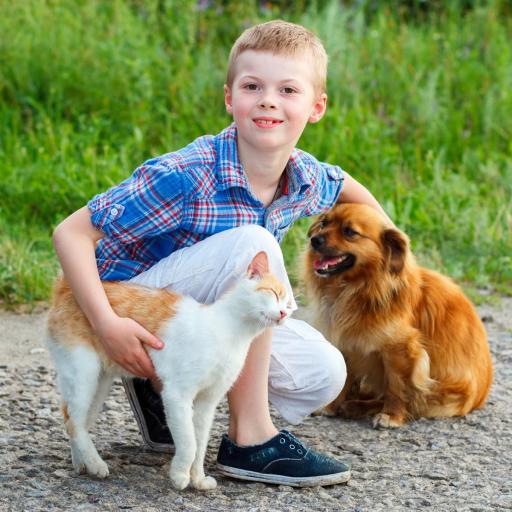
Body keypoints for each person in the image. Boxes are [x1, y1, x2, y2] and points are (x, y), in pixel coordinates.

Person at [52, 20, 391, 487]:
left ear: (316, 107)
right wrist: (107, 325)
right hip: (128, 300)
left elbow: (350, 190)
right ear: (230, 98)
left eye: (287, 89)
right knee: (255, 244)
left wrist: (393, 246)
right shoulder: (186, 173)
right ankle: (250, 439)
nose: (268, 100)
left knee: (323, 373)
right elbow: (70, 233)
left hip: (192, 318)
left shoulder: (304, 175)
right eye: (253, 87)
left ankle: (163, 384)